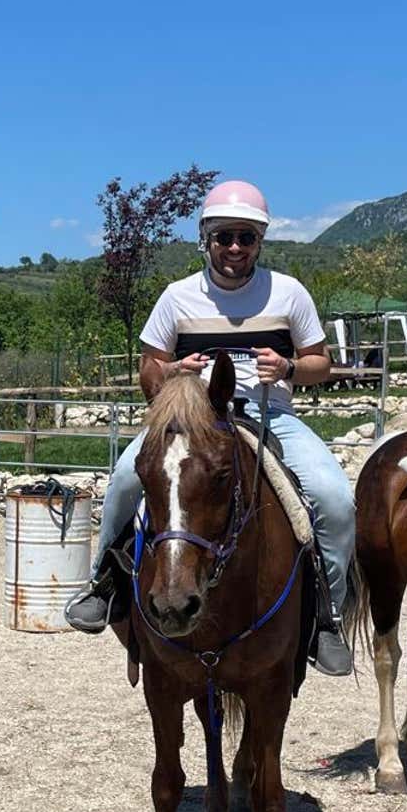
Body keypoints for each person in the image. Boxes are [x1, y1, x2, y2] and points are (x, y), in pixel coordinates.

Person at [64, 181, 356, 676]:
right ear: (206, 238)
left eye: (247, 237)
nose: (235, 247)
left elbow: (320, 364)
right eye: (225, 237)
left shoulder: (289, 293)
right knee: (124, 479)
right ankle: (105, 585)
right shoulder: (176, 298)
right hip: (190, 420)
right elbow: (148, 371)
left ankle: (326, 617)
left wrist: (288, 367)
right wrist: (173, 372)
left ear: (260, 241)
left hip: (269, 414)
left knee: (335, 499)